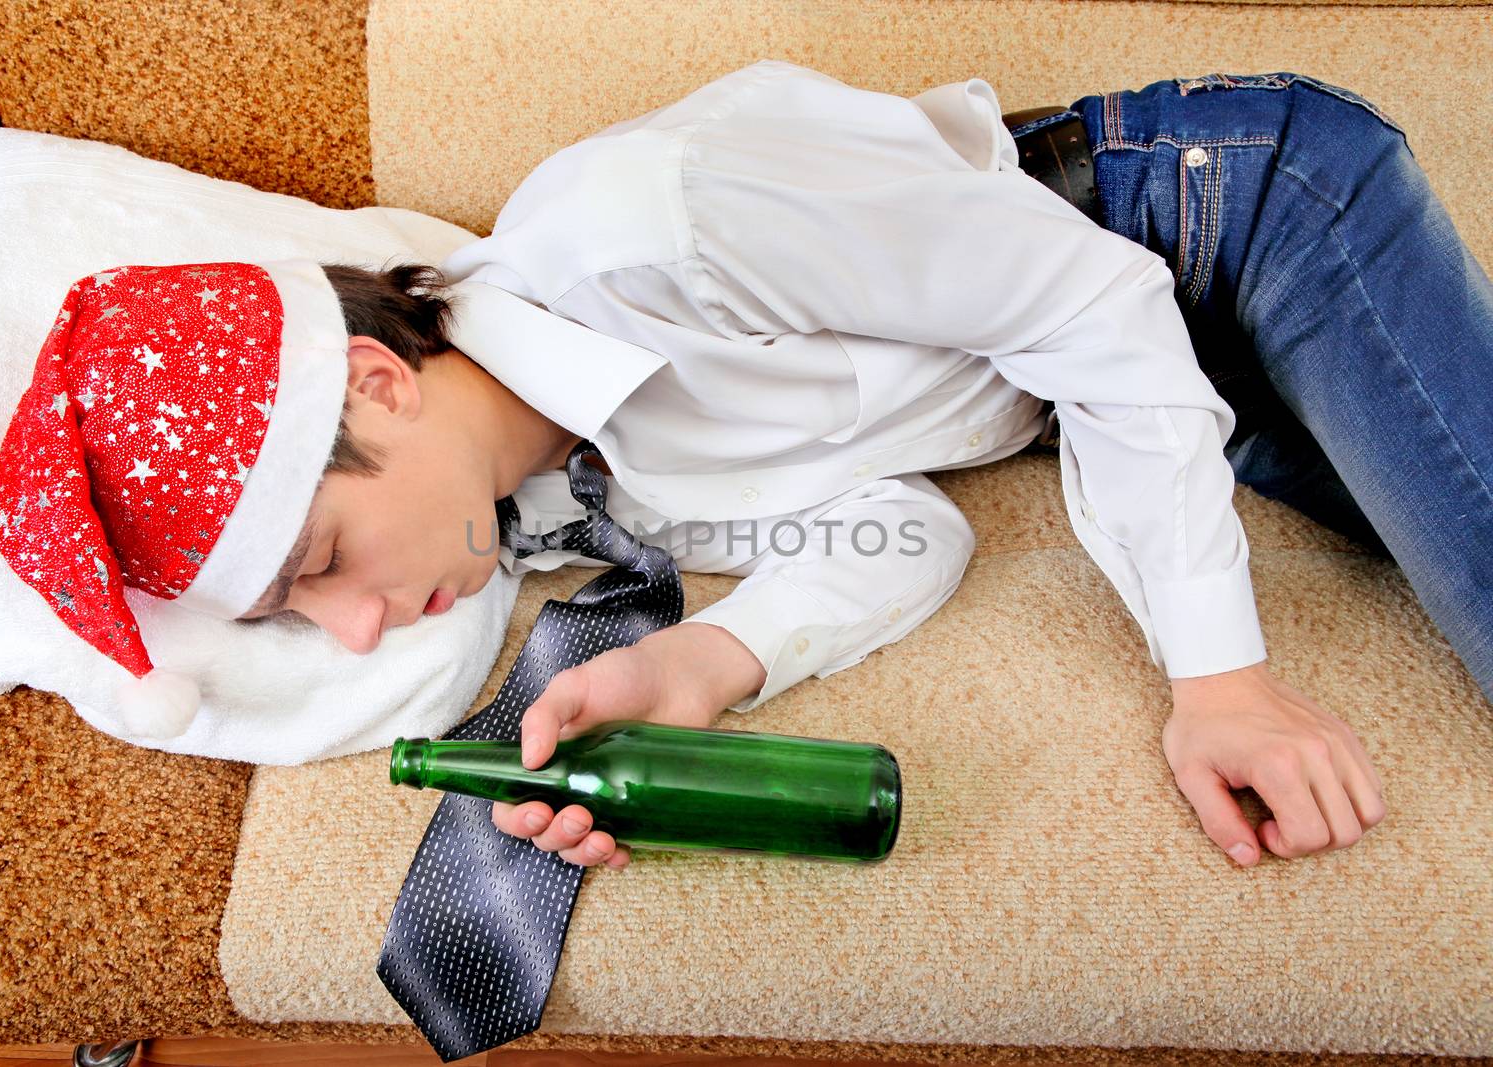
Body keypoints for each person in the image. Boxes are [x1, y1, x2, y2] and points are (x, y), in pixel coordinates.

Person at [232, 61, 1489, 873]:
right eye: (296, 608)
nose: (352, 630)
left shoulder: (647, 225)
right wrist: (704, 660)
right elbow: (908, 523)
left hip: (1229, 218)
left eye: (324, 558)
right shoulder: (569, 493)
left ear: (373, 381)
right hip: (1138, 396)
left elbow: (1097, 304)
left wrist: (1221, 682)